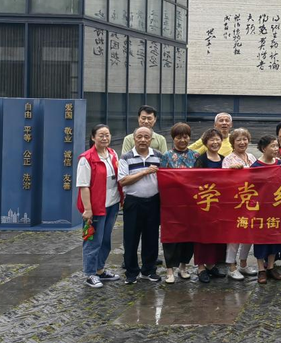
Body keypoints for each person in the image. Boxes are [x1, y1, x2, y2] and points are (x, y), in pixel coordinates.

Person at [77, 124, 123, 288]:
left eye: (107, 135)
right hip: (96, 207)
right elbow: (83, 186)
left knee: (105, 240)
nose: (105, 138)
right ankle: (90, 274)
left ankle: (100, 270)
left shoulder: (112, 153)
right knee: (92, 241)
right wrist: (88, 209)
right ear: (93, 137)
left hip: (112, 204)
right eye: (101, 135)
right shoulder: (86, 158)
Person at [118, 126, 164, 284]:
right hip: (133, 202)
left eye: (146, 137)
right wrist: (144, 172)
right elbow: (123, 180)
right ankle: (131, 272)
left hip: (153, 200)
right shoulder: (126, 157)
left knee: (151, 237)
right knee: (130, 238)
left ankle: (149, 270)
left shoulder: (158, 156)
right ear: (134, 138)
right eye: (139, 137)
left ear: (151, 139)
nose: (143, 140)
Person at [159, 123, 197, 284]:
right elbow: (161, 179)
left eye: (185, 136)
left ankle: (183, 266)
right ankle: (169, 270)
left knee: (189, 235)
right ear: (173, 138)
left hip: (190, 204)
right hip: (171, 204)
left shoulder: (195, 156)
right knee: (171, 236)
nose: (182, 140)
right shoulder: (166, 156)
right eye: (179, 137)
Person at [221, 128, 258, 281]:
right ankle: (231, 265)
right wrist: (231, 171)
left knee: (249, 234)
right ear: (232, 142)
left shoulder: (251, 157)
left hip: (252, 202)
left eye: (245, 139)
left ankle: (243, 263)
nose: (242, 142)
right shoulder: (228, 159)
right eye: (238, 140)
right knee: (234, 235)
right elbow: (223, 181)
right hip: (236, 203)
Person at [194, 128, 227, 283]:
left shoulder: (224, 159)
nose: (215, 142)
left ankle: (211, 265)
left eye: (217, 139)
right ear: (206, 142)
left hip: (220, 205)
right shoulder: (201, 159)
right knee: (202, 236)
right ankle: (201, 268)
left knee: (217, 236)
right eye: (211, 140)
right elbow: (195, 180)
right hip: (204, 204)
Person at [252, 135, 281, 283]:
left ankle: (271, 267)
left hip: (276, 208)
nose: (276, 149)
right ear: (264, 148)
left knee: (275, 238)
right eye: (272, 146)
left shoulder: (279, 163)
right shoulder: (256, 166)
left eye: (277, 146)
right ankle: (261, 269)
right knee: (260, 239)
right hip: (260, 210)